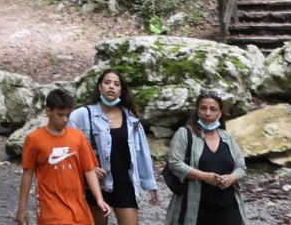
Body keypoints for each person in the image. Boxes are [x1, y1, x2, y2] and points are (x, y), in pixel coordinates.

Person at [70, 71, 160, 225]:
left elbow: (141, 153)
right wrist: (85, 168)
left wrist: (150, 184)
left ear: (121, 90)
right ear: (100, 87)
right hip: (95, 183)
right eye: (107, 82)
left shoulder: (131, 119)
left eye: (116, 84)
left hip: (124, 181)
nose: (111, 86)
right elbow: (68, 147)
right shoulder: (81, 115)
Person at [16, 87, 109, 225]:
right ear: (48, 111)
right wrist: (22, 208)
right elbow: (28, 173)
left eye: (68, 115)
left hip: (79, 208)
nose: (65, 120)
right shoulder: (34, 139)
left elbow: (89, 170)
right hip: (50, 209)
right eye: (60, 115)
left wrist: (99, 199)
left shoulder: (78, 137)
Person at [164, 92, 248, 225]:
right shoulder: (185, 134)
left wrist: (232, 178)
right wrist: (203, 176)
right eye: (203, 108)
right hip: (197, 207)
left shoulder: (227, 137)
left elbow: (241, 167)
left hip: (228, 206)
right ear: (197, 111)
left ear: (220, 113)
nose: (207, 113)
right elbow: (174, 163)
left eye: (213, 109)